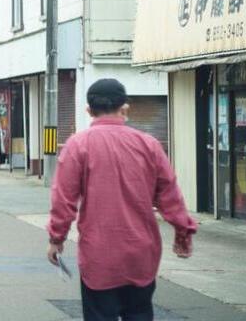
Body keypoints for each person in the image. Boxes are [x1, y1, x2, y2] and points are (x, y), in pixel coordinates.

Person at [47, 79, 197, 321]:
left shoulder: (78, 145)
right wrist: (183, 232)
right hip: (142, 252)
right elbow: (170, 194)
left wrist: (57, 238)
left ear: (88, 110)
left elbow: (63, 198)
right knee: (139, 313)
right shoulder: (149, 145)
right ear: (125, 108)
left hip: (99, 254)